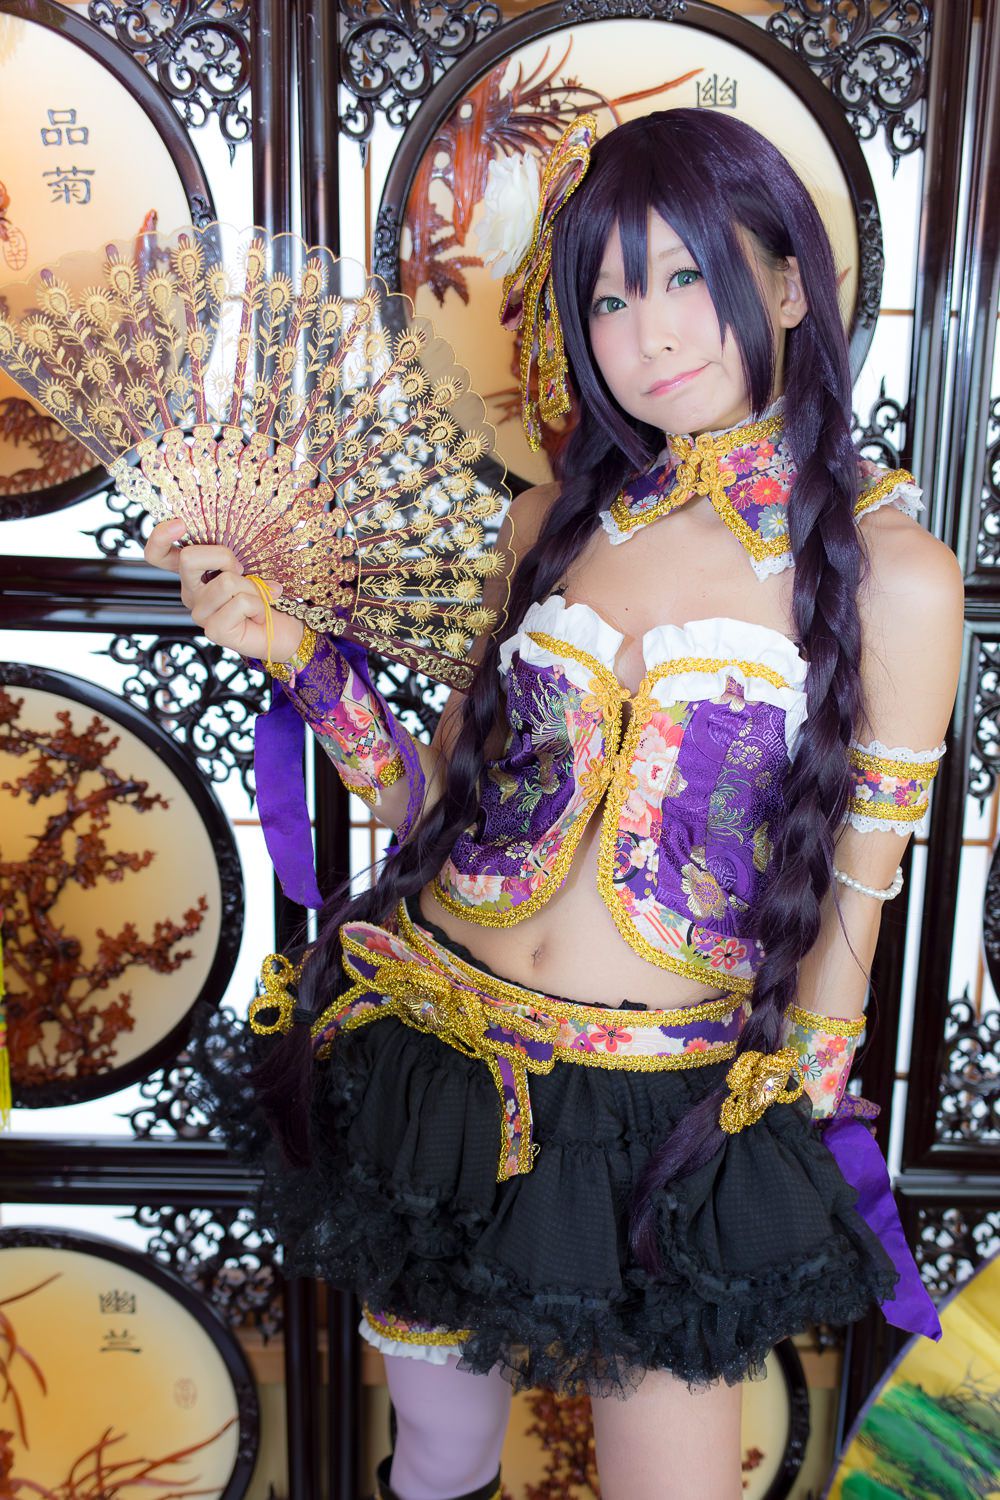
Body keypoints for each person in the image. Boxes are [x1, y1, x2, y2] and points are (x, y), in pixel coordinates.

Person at [145, 110, 964, 1500]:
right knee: (438, 1455)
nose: (650, 332)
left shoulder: (897, 574)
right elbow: (424, 803)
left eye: (687, 275)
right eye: (610, 297)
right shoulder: (551, 522)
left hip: (660, 1113)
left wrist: (795, 1095)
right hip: (441, 1060)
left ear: (785, 283)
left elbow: (861, 886)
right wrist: (293, 652)